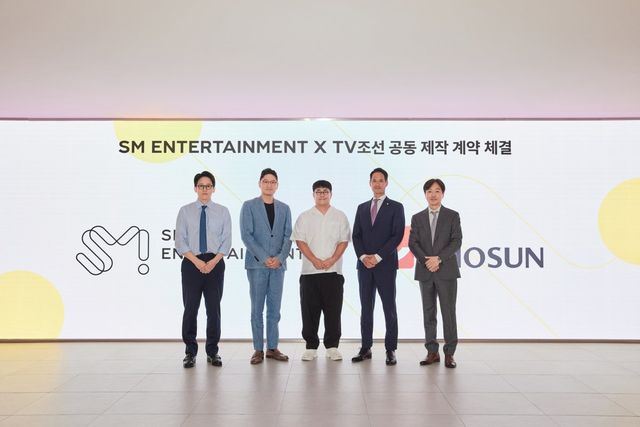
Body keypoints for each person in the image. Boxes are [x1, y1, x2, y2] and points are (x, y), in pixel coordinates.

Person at [175, 171, 231, 368]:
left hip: (215, 263)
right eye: (201, 186)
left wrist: (213, 262)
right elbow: (180, 241)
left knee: (213, 310)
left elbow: (226, 241)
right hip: (191, 262)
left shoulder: (223, 211)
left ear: (213, 189)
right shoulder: (185, 211)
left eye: (208, 186)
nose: (205, 189)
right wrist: (197, 262)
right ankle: (190, 352)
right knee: (190, 309)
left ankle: (212, 352)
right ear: (195, 188)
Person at [291, 180, 351, 361]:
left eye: (325, 191)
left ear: (331, 194)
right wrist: (315, 260)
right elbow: (300, 241)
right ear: (313, 195)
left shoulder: (340, 216)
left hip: (334, 272)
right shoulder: (304, 216)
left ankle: (332, 346)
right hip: (309, 272)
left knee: (333, 311)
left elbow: (344, 241)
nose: (322, 194)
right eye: (318, 191)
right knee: (309, 311)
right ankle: (311, 346)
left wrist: (332, 259)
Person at [351, 168, 405, 366]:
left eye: (381, 180)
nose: (377, 183)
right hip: (364, 266)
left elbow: (397, 235)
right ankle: (366, 347)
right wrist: (363, 256)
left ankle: (390, 349)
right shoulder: (362, 208)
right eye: (374, 180)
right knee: (366, 307)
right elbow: (356, 235)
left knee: (389, 307)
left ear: (386, 183)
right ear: (370, 183)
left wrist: (378, 256)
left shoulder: (396, 207)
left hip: (386, 265)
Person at [240, 168, 292, 364]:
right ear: (259, 183)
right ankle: (257, 349)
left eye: (273, 182)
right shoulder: (249, 206)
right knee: (257, 309)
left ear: (277, 185)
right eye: (266, 181)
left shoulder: (285, 208)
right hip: (257, 265)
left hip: (278, 266)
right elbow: (246, 235)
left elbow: (288, 236)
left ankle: (272, 347)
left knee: (274, 309)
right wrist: (264, 258)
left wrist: (279, 258)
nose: (269, 185)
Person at [408, 178, 462, 368]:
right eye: (429, 191)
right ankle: (432, 351)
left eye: (437, 191)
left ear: (443, 194)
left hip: (446, 271)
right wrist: (427, 261)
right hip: (425, 271)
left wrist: (438, 259)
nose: (433, 195)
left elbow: (456, 241)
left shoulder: (452, 215)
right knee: (428, 312)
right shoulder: (417, 217)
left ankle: (449, 353)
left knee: (448, 312)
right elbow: (412, 243)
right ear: (425, 194)